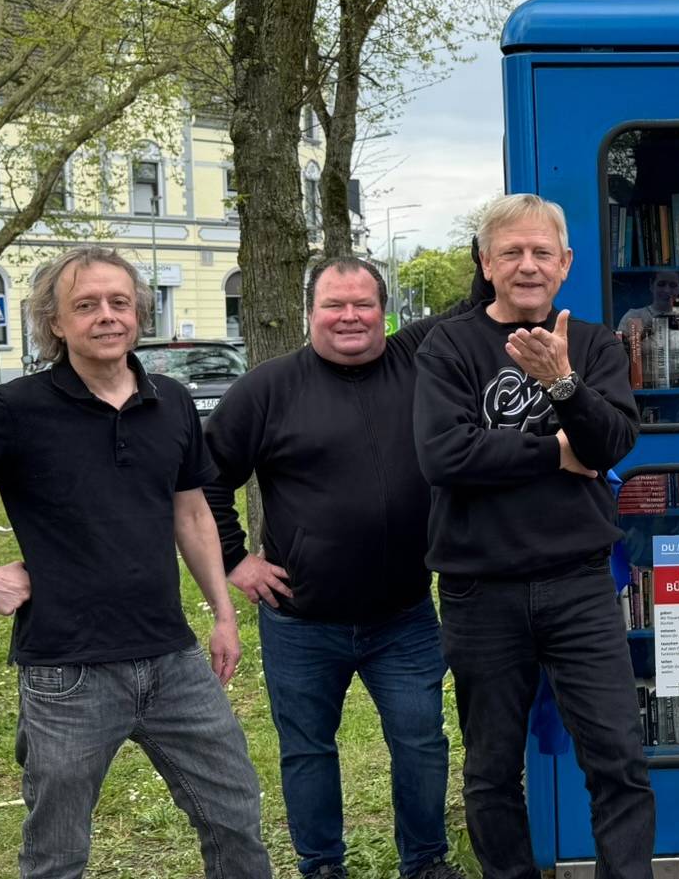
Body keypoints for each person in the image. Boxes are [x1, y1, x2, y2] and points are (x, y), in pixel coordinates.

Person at [0, 247, 271, 879]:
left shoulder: (170, 401)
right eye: (85, 305)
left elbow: (193, 515)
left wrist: (223, 617)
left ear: (138, 314)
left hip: (172, 658)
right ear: (56, 323)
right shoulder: (16, 409)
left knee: (235, 816)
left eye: (119, 302)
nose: (106, 316)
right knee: (57, 854)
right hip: (67, 672)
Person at [204, 256, 480, 879]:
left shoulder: (416, 360)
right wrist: (235, 559)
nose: (349, 316)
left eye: (363, 304)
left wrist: (493, 245)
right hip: (301, 619)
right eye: (334, 305)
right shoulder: (267, 388)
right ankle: (322, 866)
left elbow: (474, 303)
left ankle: (426, 863)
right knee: (307, 750)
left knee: (421, 742)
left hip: (404, 615)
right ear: (311, 313)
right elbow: (203, 479)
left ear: (386, 313)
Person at [413, 193, 654, 879]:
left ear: (565, 263)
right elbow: (444, 456)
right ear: (486, 263)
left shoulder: (596, 345)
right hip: (480, 591)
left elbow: (610, 444)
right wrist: (554, 452)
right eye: (511, 252)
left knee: (619, 762)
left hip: (579, 587)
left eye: (541, 252)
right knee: (491, 771)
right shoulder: (448, 346)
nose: (527, 265)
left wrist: (564, 383)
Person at [616, 267, 679, 335]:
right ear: (651, 285)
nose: (667, 290)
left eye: (673, 285)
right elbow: (619, 341)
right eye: (661, 284)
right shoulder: (634, 316)